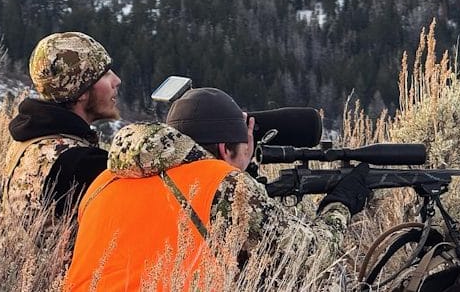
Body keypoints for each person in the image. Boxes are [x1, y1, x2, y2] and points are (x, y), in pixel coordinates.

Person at [64, 88, 371, 291]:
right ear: (225, 148)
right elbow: (309, 254)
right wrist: (340, 204)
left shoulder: (105, 181)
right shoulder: (219, 182)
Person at [0, 32, 122, 245]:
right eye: (104, 74)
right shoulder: (79, 162)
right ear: (80, 92)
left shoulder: (28, 142)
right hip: (61, 278)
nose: (116, 81)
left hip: (18, 275)